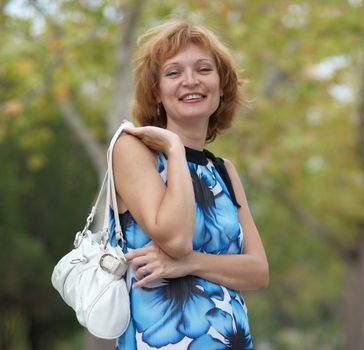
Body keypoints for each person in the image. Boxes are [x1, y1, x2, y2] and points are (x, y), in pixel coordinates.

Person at [109, 20, 269, 349]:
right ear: (156, 91)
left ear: (221, 85)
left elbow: (258, 270)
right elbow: (176, 239)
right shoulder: (133, 150)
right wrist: (173, 148)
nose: (191, 81)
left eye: (203, 69)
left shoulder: (223, 169)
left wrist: (189, 264)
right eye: (173, 73)